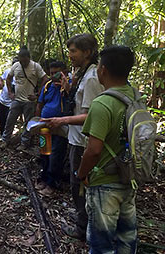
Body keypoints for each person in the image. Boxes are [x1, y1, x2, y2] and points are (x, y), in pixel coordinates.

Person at [44, 34, 104, 240]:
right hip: (76, 137)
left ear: (87, 52)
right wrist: (70, 88)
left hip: (84, 142)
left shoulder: (92, 77)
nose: (69, 55)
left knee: (79, 183)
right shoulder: (82, 74)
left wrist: (62, 121)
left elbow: (91, 115)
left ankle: (82, 227)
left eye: (73, 51)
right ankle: (82, 217)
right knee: (77, 183)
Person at [77, 45, 137, 253]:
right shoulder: (135, 96)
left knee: (101, 243)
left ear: (103, 70)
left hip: (105, 182)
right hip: (129, 176)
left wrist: (82, 173)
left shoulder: (103, 103)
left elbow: (93, 150)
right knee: (127, 237)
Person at [1, 47, 48, 149]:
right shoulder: (16, 66)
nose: (23, 63)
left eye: (25, 61)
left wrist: (38, 94)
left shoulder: (35, 66)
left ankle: (24, 143)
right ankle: (5, 140)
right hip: (16, 99)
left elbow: (45, 79)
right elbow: (8, 79)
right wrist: (10, 92)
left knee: (28, 122)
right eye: (21, 61)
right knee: (10, 120)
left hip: (29, 101)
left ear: (28, 58)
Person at [35, 61, 69, 195]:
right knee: (45, 152)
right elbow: (40, 104)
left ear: (64, 72)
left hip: (60, 126)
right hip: (44, 126)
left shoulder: (69, 85)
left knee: (56, 154)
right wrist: (36, 122)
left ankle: (52, 183)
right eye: (51, 73)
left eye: (57, 73)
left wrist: (67, 89)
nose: (54, 76)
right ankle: (44, 178)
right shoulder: (47, 86)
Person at [0, 57, 17, 136]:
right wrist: (0, 83)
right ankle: (2, 136)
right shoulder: (8, 71)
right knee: (2, 120)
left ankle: (7, 137)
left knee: (9, 121)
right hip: (2, 100)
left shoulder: (21, 75)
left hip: (12, 103)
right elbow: (1, 78)